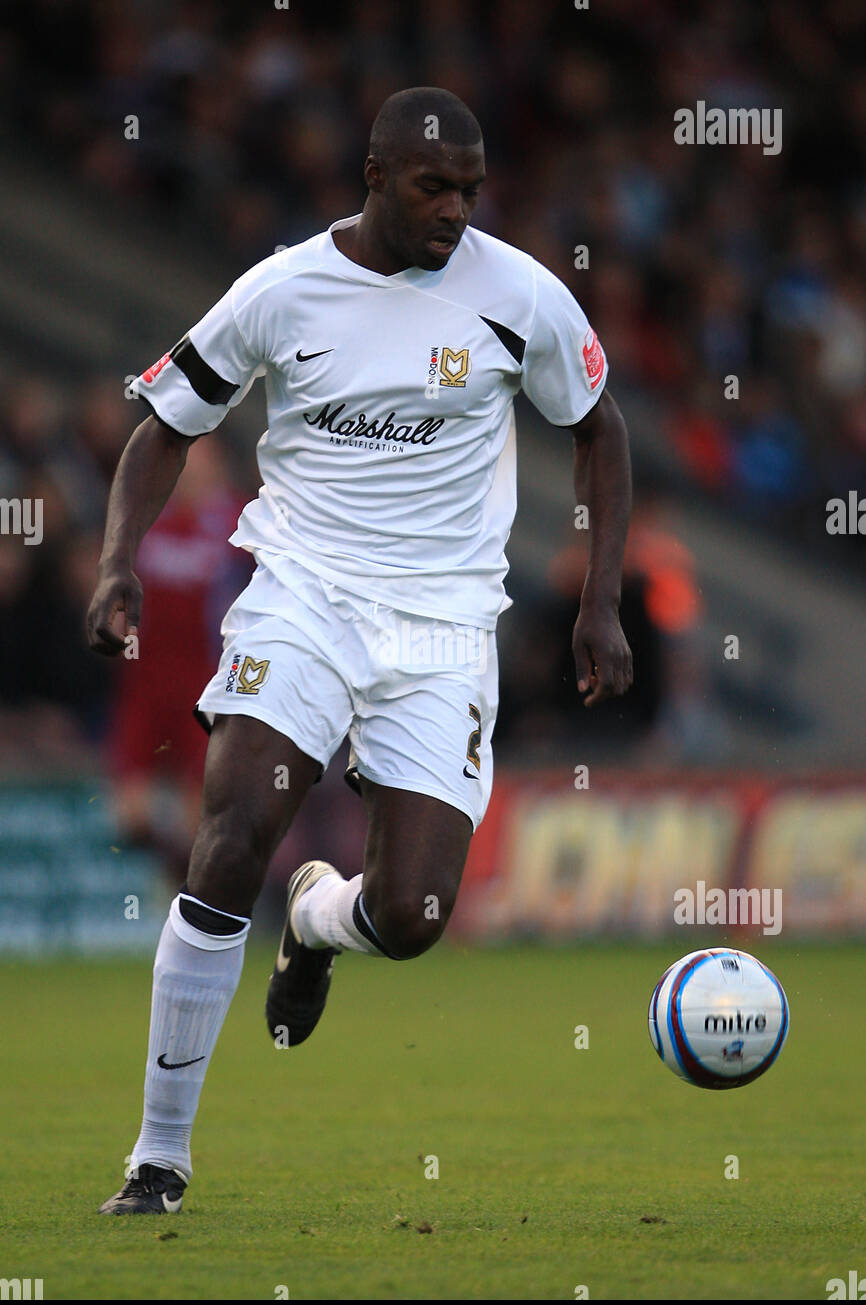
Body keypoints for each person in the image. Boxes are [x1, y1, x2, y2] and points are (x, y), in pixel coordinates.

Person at [87, 87, 633, 1215]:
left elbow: (600, 429)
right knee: (230, 836)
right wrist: (113, 560)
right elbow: (164, 427)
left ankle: (319, 921)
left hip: (442, 625)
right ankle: (159, 1156)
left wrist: (601, 603)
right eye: (434, 187)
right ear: (375, 177)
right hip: (305, 596)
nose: (455, 210)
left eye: (471, 190)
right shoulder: (281, 290)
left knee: (415, 917)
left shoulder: (516, 292)